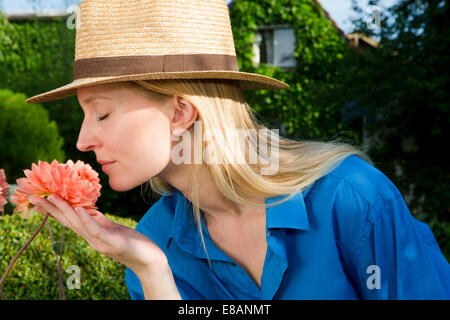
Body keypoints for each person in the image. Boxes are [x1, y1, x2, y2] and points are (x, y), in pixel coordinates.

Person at [25, 0, 449, 300]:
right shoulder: (150, 244)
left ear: (180, 113)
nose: (82, 140)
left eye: (101, 114)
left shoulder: (351, 199)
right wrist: (154, 275)